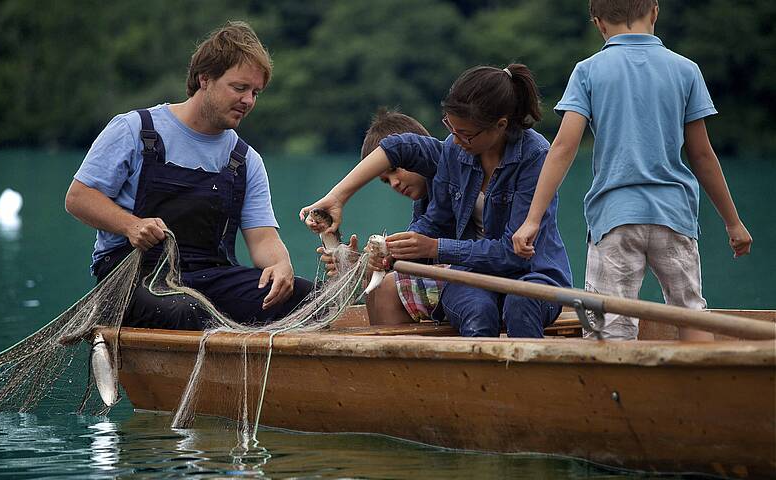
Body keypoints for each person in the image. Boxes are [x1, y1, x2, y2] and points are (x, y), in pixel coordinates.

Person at [511, 0, 753, 341]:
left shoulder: (589, 70)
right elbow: (702, 155)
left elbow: (563, 148)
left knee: (609, 325)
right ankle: (701, 391)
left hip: (615, 217)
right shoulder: (686, 69)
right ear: (654, 11)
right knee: (691, 314)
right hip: (674, 214)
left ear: (598, 24)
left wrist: (532, 219)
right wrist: (733, 222)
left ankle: (614, 393)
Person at [65, 21, 312, 330]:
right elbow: (78, 198)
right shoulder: (133, 129)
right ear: (204, 79)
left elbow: (262, 238)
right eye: (239, 88)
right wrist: (131, 225)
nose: (249, 101)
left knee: (307, 296)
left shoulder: (246, 159)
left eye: (255, 92)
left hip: (210, 276)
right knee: (187, 311)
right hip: (132, 275)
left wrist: (281, 265)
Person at [302, 64, 573, 338]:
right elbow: (432, 215)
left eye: (465, 133)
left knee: (521, 303)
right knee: (476, 310)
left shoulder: (535, 156)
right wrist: (384, 245)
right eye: (450, 128)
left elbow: (511, 254)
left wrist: (435, 247)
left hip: (532, 276)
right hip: (470, 277)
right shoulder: (456, 152)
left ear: (500, 125)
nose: (455, 140)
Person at [313, 108, 447, 325]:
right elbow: (411, 254)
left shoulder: (446, 178)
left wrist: (379, 259)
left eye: (395, 170)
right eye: (386, 180)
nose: (394, 183)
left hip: (475, 281)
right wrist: (358, 262)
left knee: (386, 285)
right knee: (373, 276)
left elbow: (426, 238)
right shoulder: (421, 203)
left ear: (417, 152)